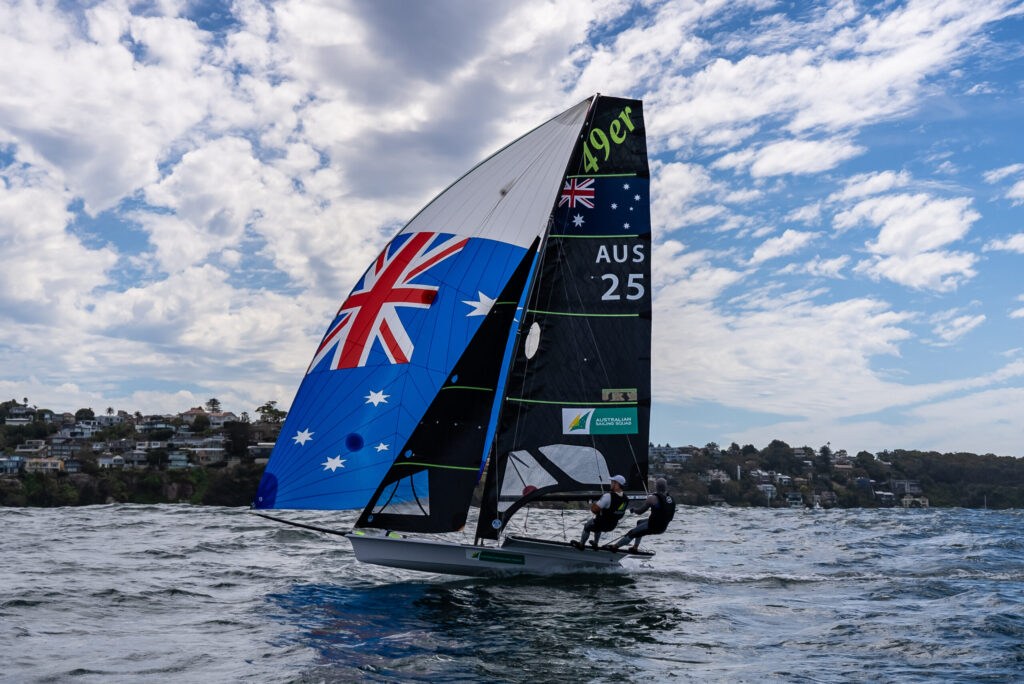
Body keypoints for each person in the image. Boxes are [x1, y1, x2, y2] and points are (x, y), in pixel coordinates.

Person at [609, 477, 675, 552]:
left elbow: (640, 512)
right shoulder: (670, 499)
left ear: (656, 486)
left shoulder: (652, 498)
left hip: (652, 526)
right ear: (666, 487)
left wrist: (633, 509)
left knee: (631, 533)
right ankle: (635, 547)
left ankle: (615, 547)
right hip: (663, 528)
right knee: (639, 522)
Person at [572, 474, 629, 550]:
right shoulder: (626, 499)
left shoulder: (608, 496)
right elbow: (618, 512)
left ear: (616, 484)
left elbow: (594, 510)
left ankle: (581, 545)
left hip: (601, 523)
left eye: (612, 482)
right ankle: (595, 544)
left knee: (587, 526)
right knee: (598, 525)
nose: (611, 484)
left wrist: (595, 505)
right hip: (612, 526)